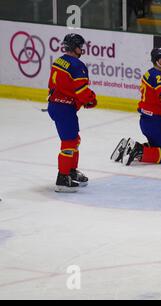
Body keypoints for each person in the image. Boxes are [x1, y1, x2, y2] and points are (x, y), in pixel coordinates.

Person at [47, 33, 97, 193]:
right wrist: (91, 99)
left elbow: (54, 85)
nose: (81, 49)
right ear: (75, 48)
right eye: (80, 47)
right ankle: (62, 178)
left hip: (55, 105)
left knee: (74, 140)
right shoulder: (77, 65)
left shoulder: (58, 61)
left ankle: (70, 170)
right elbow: (81, 91)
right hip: (64, 108)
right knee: (69, 143)